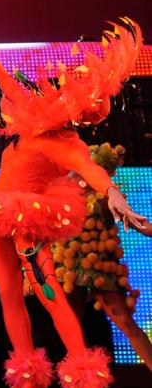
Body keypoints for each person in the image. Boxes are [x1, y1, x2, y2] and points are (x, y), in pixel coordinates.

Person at [0, 22, 146, 388]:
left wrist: (115, 197)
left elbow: (90, 170)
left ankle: (91, 385)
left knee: (50, 295)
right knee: (8, 296)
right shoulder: (27, 127)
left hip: (27, 219)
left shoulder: (63, 143)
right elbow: (12, 91)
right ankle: (30, 382)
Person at [49, 142, 152, 372]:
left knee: (125, 322)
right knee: (70, 328)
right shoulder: (62, 191)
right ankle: (91, 383)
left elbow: (138, 224)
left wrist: (146, 226)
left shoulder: (107, 197)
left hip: (101, 267)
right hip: (69, 266)